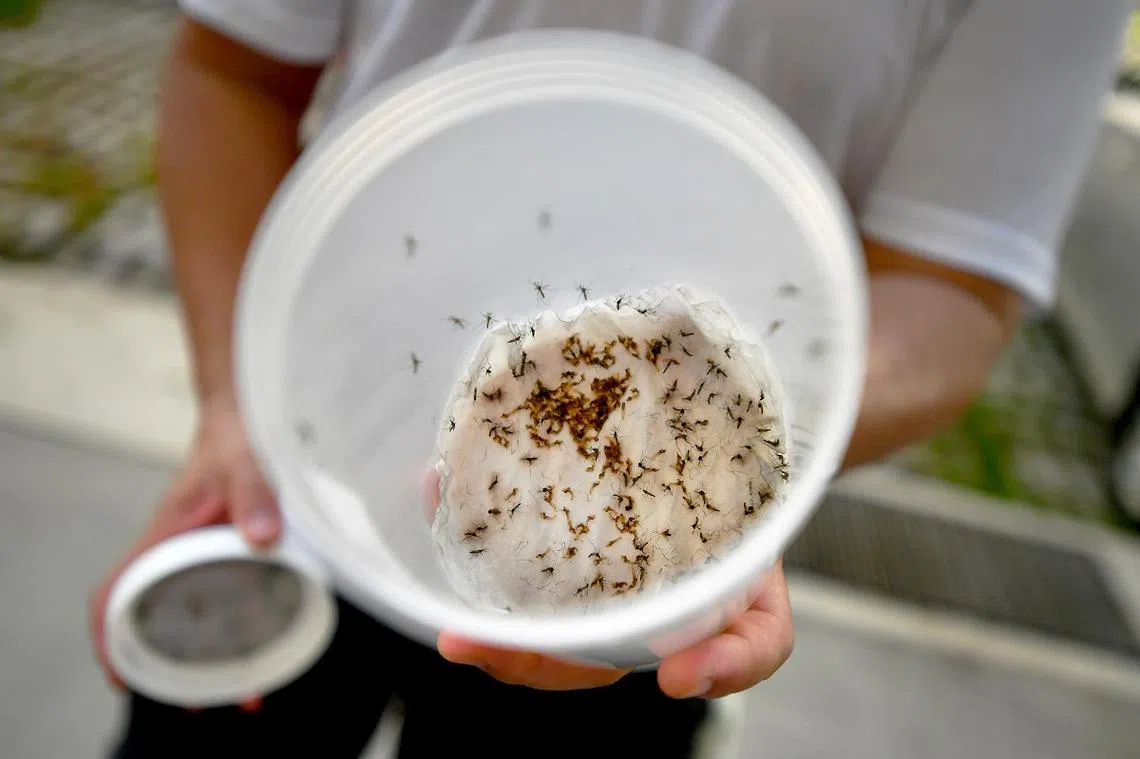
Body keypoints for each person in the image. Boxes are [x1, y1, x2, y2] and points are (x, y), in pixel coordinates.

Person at [89, 1, 1131, 757]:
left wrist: (751, 473)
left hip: (656, 582)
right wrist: (233, 402)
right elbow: (232, 69)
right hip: (301, 477)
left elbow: (955, 287)